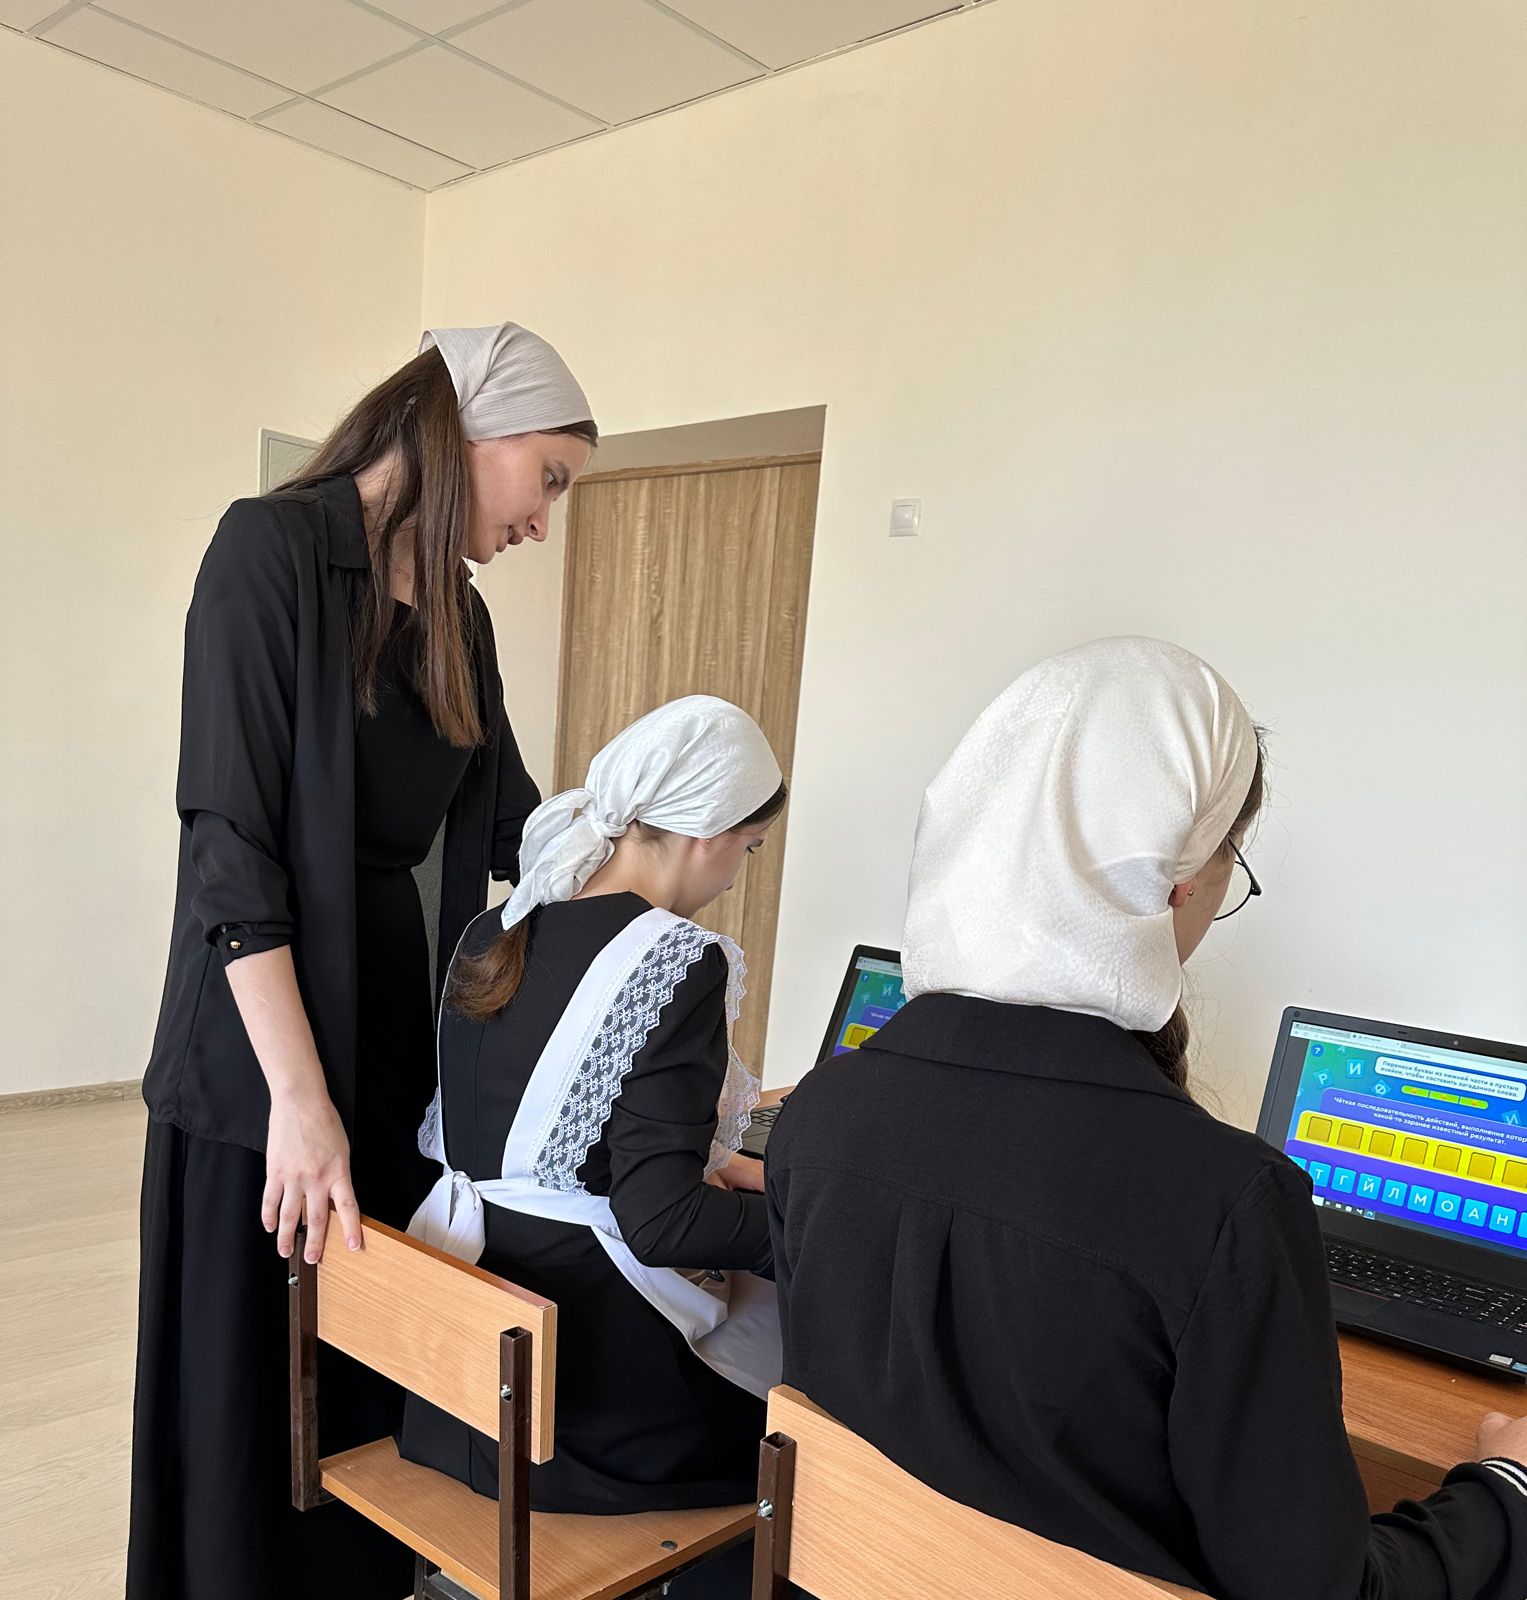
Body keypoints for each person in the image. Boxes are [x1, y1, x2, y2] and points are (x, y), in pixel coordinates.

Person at [766, 635, 1527, 1600]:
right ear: (1179, 877)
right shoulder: (1226, 1202)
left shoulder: (821, 1111)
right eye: (1232, 860)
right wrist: (1505, 1487)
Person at [129, 323, 597, 1600]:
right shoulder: (269, 551)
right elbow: (229, 848)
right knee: (247, 1411)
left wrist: (654, 856)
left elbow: (516, 830)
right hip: (260, 1060)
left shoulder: (461, 618)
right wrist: (298, 1100)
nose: (543, 520)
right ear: (473, 430)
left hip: (389, 1052)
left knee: (358, 1408)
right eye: (548, 478)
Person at [400, 696, 786, 1597]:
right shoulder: (676, 958)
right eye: (749, 849)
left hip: (459, 1382)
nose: (736, 875)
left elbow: (543, 1140)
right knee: (811, 1431)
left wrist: (723, 1163)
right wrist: (812, 1222)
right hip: (580, 1422)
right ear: (709, 834)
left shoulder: (497, 927)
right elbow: (661, 1223)